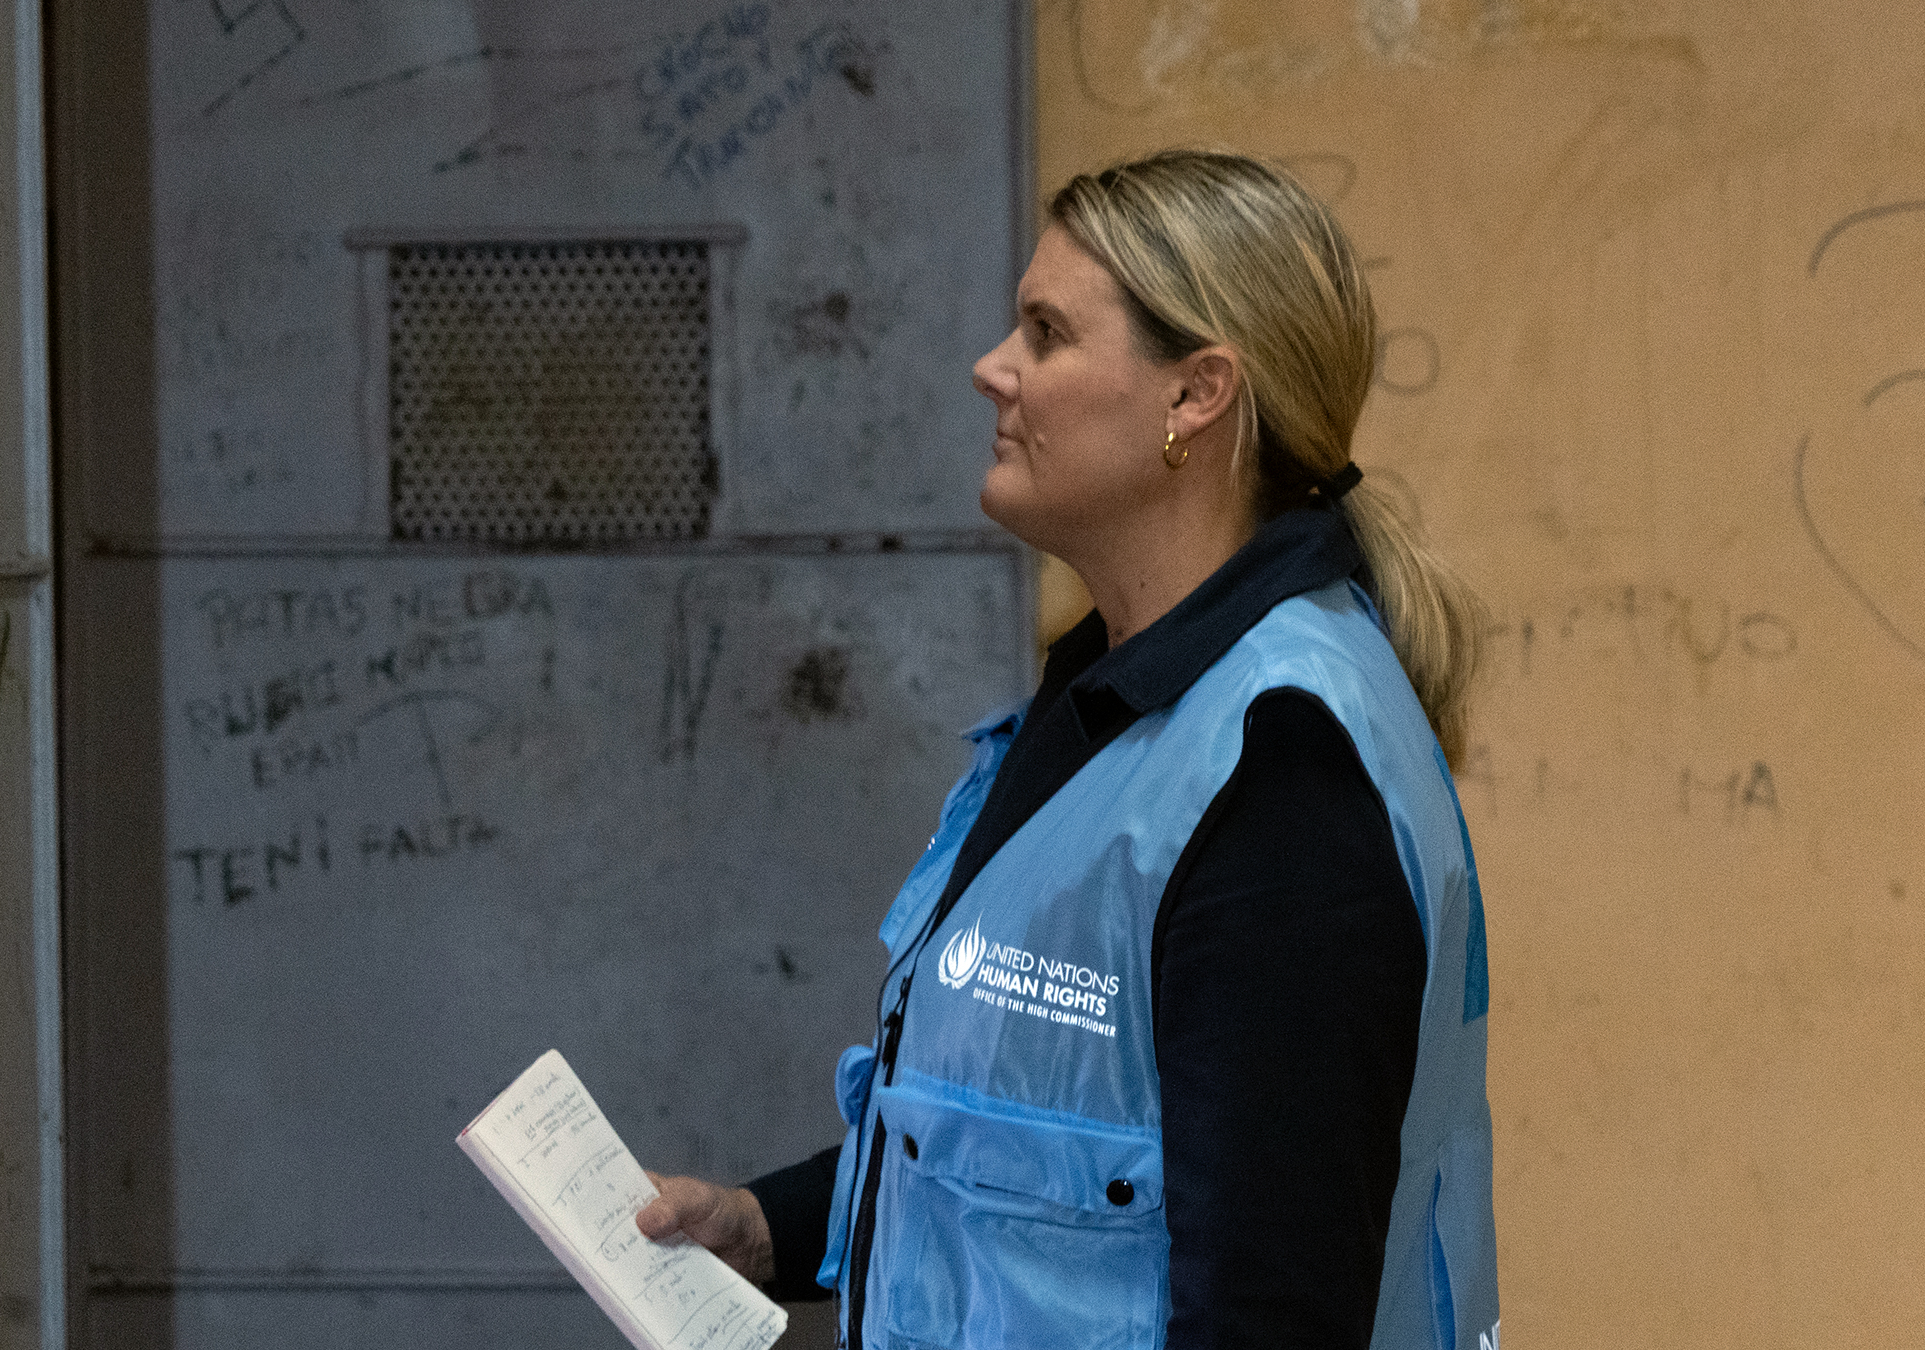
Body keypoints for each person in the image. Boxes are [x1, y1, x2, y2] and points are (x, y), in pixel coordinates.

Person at [636, 149, 1499, 1350]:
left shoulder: (1276, 767)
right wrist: (770, 1228)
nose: (994, 369)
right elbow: (1039, 1140)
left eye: (1046, 334)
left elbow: (1272, 1303)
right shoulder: (1121, 694)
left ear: (1195, 396)